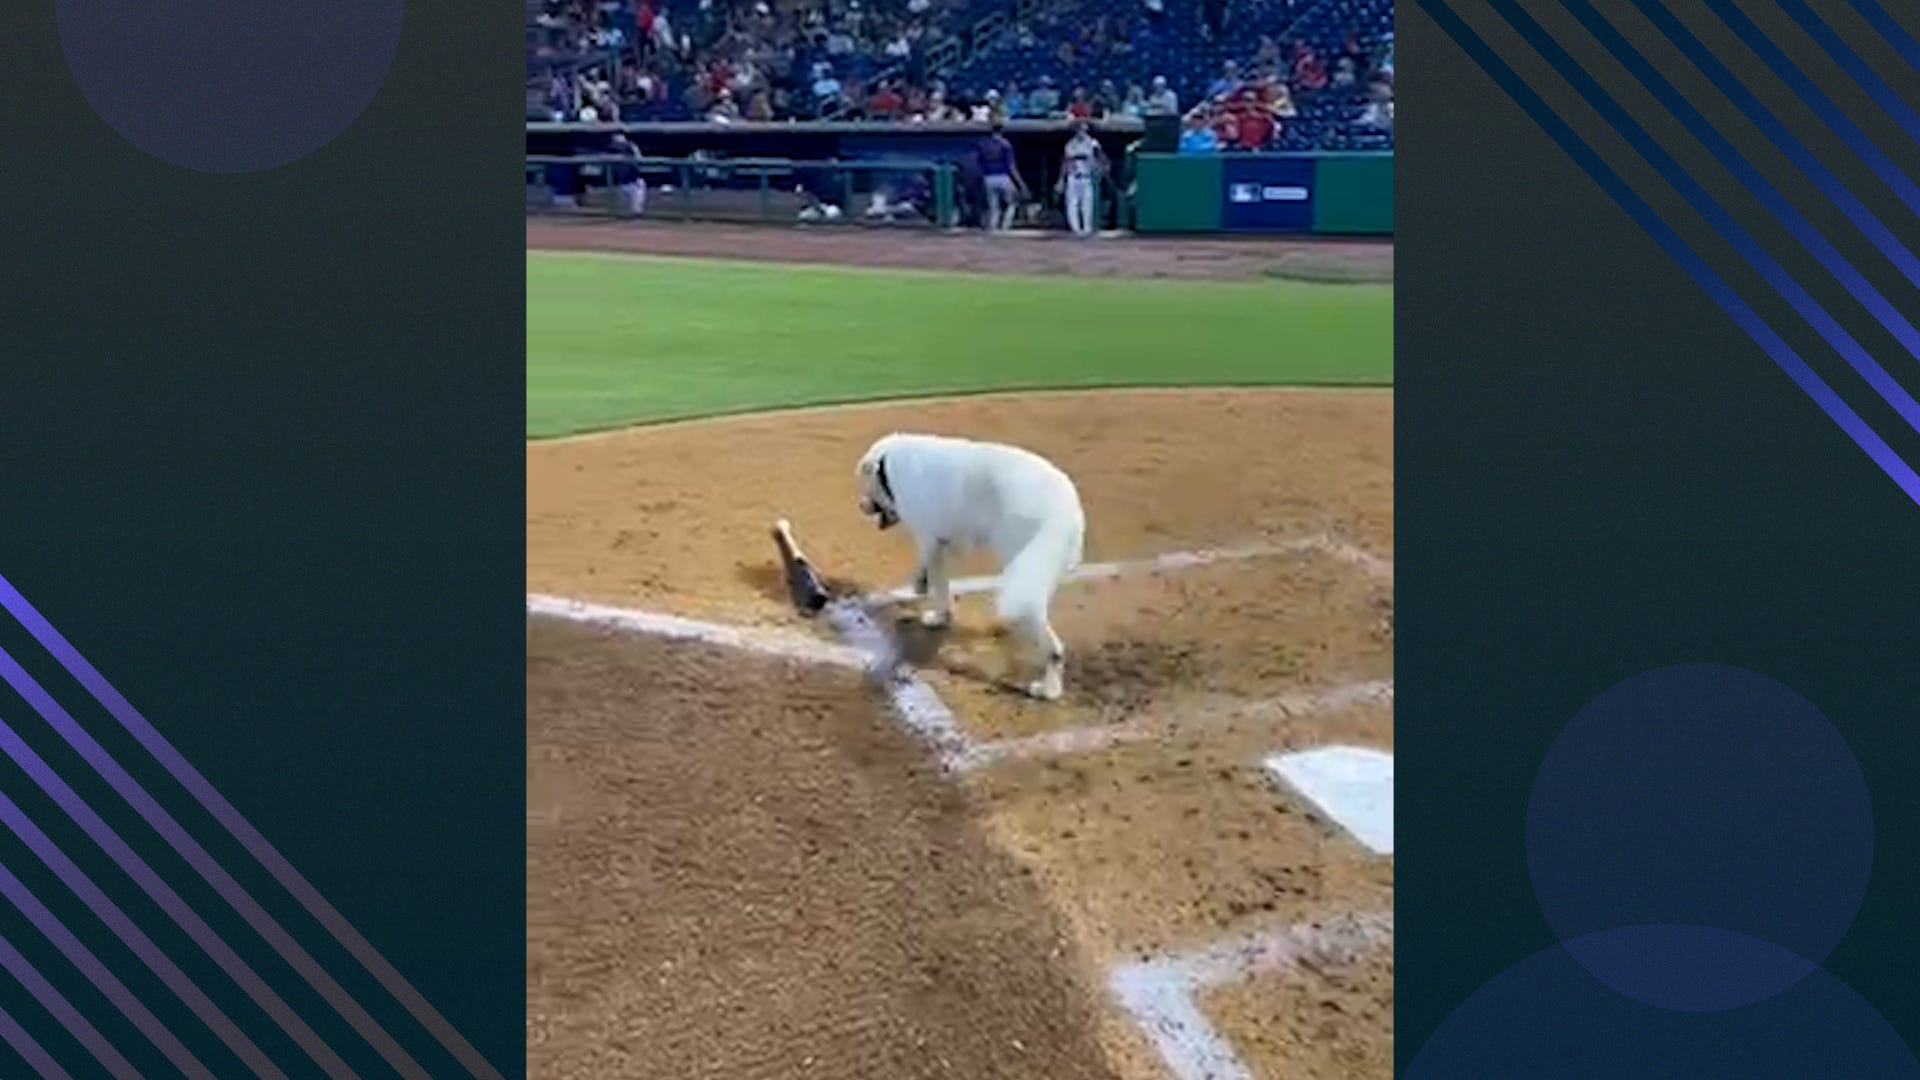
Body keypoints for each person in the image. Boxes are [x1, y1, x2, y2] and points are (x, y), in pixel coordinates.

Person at [976, 117, 1028, 231]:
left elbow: (979, 164)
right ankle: (1005, 227)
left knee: (993, 207)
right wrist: (1021, 184)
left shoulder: (983, 144)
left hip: (988, 178)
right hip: (1003, 177)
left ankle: (993, 229)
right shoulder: (1005, 145)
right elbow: (1011, 167)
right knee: (1011, 203)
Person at [1058, 120, 1107, 236]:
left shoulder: (1092, 143)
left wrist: (1102, 169)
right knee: (1072, 204)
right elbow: (1066, 162)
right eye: (1079, 129)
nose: (1081, 131)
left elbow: (1102, 158)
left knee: (1087, 205)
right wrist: (1061, 180)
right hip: (1073, 177)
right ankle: (1076, 230)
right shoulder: (1070, 144)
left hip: (1086, 177)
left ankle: (1086, 229)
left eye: (1083, 129)